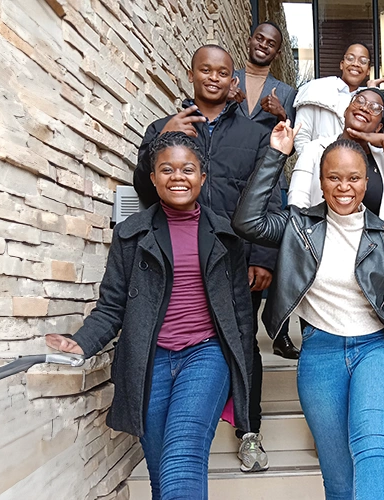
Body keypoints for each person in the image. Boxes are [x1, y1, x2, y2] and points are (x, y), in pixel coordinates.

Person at [232, 121, 384, 500]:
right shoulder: (297, 226)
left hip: (379, 350)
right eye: (334, 178)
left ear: (366, 182)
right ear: (321, 181)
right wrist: (275, 155)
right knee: (338, 475)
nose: (344, 187)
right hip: (320, 352)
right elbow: (247, 221)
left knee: (372, 443)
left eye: (354, 178)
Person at [46, 132, 254, 499]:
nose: (178, 177)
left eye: (188, 169)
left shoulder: (227, 236)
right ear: (153, 178)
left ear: (202, 177)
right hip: (148, 361)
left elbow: (241, 315)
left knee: (182, 458)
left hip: (206, 354)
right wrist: (81, 343)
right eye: (167, 169)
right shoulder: (131, 235)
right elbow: (112, 306)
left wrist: (243, 377)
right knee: (161, 474)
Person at [132, 45, 278, 472]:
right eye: (205, 70)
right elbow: (143, 187)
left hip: (234, 261)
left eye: (222, 72)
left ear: (234, 80)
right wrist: (160, 138)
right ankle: (180, 422)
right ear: (192, 74)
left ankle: (249, 429)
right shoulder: (163, 127)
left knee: (243, 342)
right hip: (174, 261)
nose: (213, 78)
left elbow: (269, 194)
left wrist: (263, 256)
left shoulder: (254, 133)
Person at [229, 20, 300, 360]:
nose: (264, 45)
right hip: (228, 183)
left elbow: (293, 141)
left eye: (271, 43)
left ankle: (272, 334)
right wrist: (227, 102)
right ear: (249, 40)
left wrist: (282, 113)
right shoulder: (228, 80)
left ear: (278, 51)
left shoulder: (285, 91)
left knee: (265, 260)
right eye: (259, 38)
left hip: (266, 184)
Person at [288, 87, 384, 227]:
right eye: (359, 101)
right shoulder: (314, 149)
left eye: (375, 108)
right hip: (321, 238)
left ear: (379, 127)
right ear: (346, 112)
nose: (364, 108)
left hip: (372, 240)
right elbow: (297, 202)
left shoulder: (382, 157)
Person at [292, 42, 384, 154]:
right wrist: (312, 163)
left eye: (363, 61)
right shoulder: (316, 89)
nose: (356, 64)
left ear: (368, 70)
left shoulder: (366, 102)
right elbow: (301, 136)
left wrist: (373, 90)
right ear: (342, 64)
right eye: (350, 58)